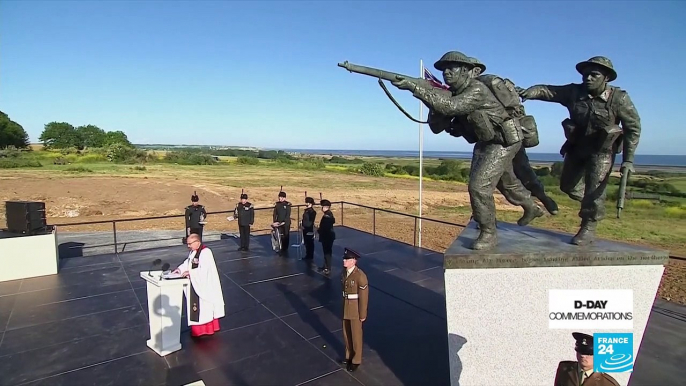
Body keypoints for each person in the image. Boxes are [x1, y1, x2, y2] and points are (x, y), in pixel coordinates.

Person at [392, 51, 543, 250]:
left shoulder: (476, 89)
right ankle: (531, 207)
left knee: (479, 187)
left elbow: (450, 107)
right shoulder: (452, 93)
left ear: (465, 71)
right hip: (486, 142)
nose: (446, 72)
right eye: (444, 69)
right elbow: (437, 126)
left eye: (451, 68)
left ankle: (488, 232)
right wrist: (429, 96)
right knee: (506, 183)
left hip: (503, 141)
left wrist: (415, 88)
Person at [518, 56, 641, 245]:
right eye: (585, 74)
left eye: (594, 75)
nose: (588, 78)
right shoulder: (574, 92)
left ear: (606, 77)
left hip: (602, 151)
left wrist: (628, 160)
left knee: (594, 191)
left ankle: (589, 225)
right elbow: (548, 91)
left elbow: (632, 128)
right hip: (577, 147)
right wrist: (529, 92)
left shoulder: (619, 99)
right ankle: (594, 204)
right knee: (568, 186)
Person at [469, 56, 559, 215]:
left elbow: (513, 106)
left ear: (475, 70)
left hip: (508, 136)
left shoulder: (490, 82)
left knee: (522, 171)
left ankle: (542, 198)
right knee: (506, 178)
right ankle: (531, 206)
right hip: (492, 139)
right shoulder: (466, 91)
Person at [172, 233, 225, 337]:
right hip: (195, 284)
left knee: (203, 308)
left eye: (190, 244)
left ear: (197, 242)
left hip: (204, 286)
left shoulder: (205, 252)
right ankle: (198, 329)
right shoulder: (194, 251)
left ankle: (205, 329)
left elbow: (204, 270)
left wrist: (190, 273)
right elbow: (188, 263)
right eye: (187, 244)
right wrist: (180, 269)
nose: (188, 246)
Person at [339, 248, 369, 372]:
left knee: (356, 335)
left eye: (347, 259)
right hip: (346, 307)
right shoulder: (344, 272)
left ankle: (356, 360)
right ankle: (349, 355)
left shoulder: (360, 276)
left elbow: (363, 297)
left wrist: (362, 314)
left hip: (355, 309)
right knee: (346, 333)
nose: (344, 261)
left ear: (353, 261)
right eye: (344, 258)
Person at [554, 332, 619, 386]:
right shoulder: (564, 368)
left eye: (588, 353)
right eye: (580, 351)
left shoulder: (607, 383)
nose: (583, 356)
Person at [317, 199, 336, 274]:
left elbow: (326, 227)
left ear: (326, 207)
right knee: (326, 252)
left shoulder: (327, 216)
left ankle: (328, 267)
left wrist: (319, 230)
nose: (322, 208)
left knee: (327, 253)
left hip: (327, 236)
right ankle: (325, 266)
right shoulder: (327, 215)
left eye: (323, 207)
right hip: (327, 236)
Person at [272, 191, 292, 255]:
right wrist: (275, 222)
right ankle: (281, 246)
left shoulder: (287, 205)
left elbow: (288, 215)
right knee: (280, 235)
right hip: (279, 222)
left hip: (286, 223)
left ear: (284, 198)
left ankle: (285, 247)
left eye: (281, 197)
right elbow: (275, 214)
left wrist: (284, 222)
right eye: (279, 197)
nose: (280, 198)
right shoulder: (277, 204)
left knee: (286, 235)